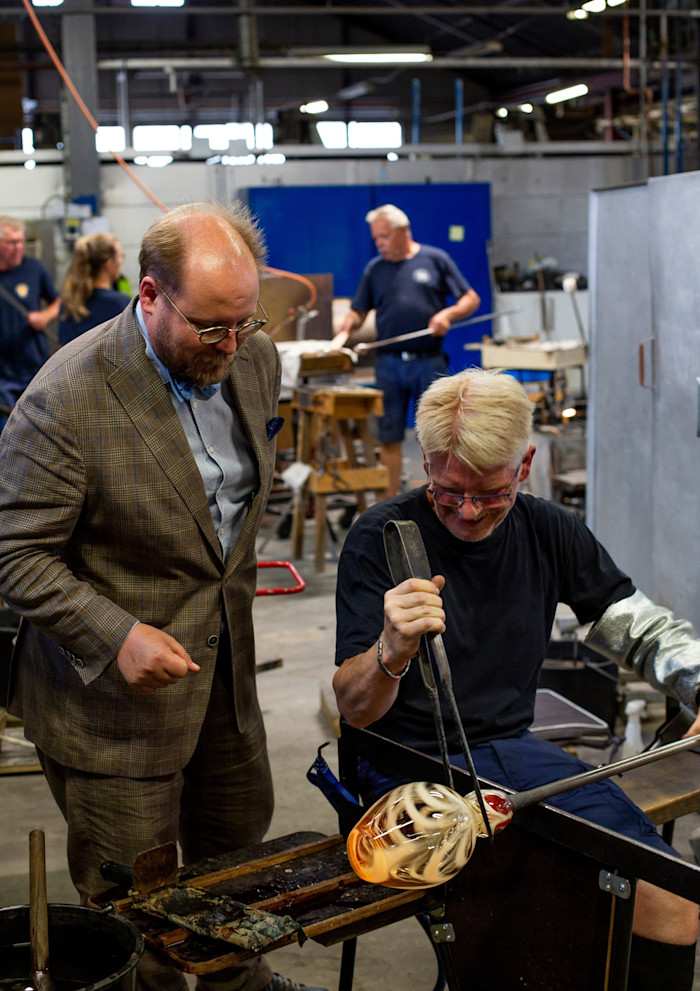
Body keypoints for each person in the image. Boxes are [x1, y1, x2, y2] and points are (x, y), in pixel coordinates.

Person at [0, 202, 326, 991]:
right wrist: (114, 633)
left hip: (226, 684)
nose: (230, 346)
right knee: (135, 910)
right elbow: (14, 552)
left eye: (244, 324)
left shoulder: (253, 359)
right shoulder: (67, 396)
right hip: (112, 710)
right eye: (210, 328)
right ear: (149, 295)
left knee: (234, 868)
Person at [333, 367, 700, 991]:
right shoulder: (383, 537)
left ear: (525, 463)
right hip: (404, 767)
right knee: (540, 917)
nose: (468, 512)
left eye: (491, 493)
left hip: (512, 756)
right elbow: (355, 708)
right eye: (448, 491)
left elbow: (637, 629)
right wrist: (391, 650)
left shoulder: (549, 529)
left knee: (671, 897)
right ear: (426, 460)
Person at [334, 204, 481, 496]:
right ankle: (391, 501)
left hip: (428, 361)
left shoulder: (435, 259)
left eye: (385, 237)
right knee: (388, 436)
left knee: (438, 434)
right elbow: (359, 310)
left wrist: (447, 315)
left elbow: (471, 298)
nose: (379, 244)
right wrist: (345, 327)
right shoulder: (375, 269)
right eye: (376, 238)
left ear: (404, 231)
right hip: (388, 365)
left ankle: (440, 494)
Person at [0, 215, 61, 412]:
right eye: (12, 242)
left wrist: (44, 316)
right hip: (2, 372)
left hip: (33, 364)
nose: (19, 247)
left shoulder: (34, 268)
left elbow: (58, 302)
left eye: (21, 241)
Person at [59, 231, 131, 345]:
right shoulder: (121, 305)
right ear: (108, 263)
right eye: (119, 256)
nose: (121, 260)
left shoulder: (69, 303)